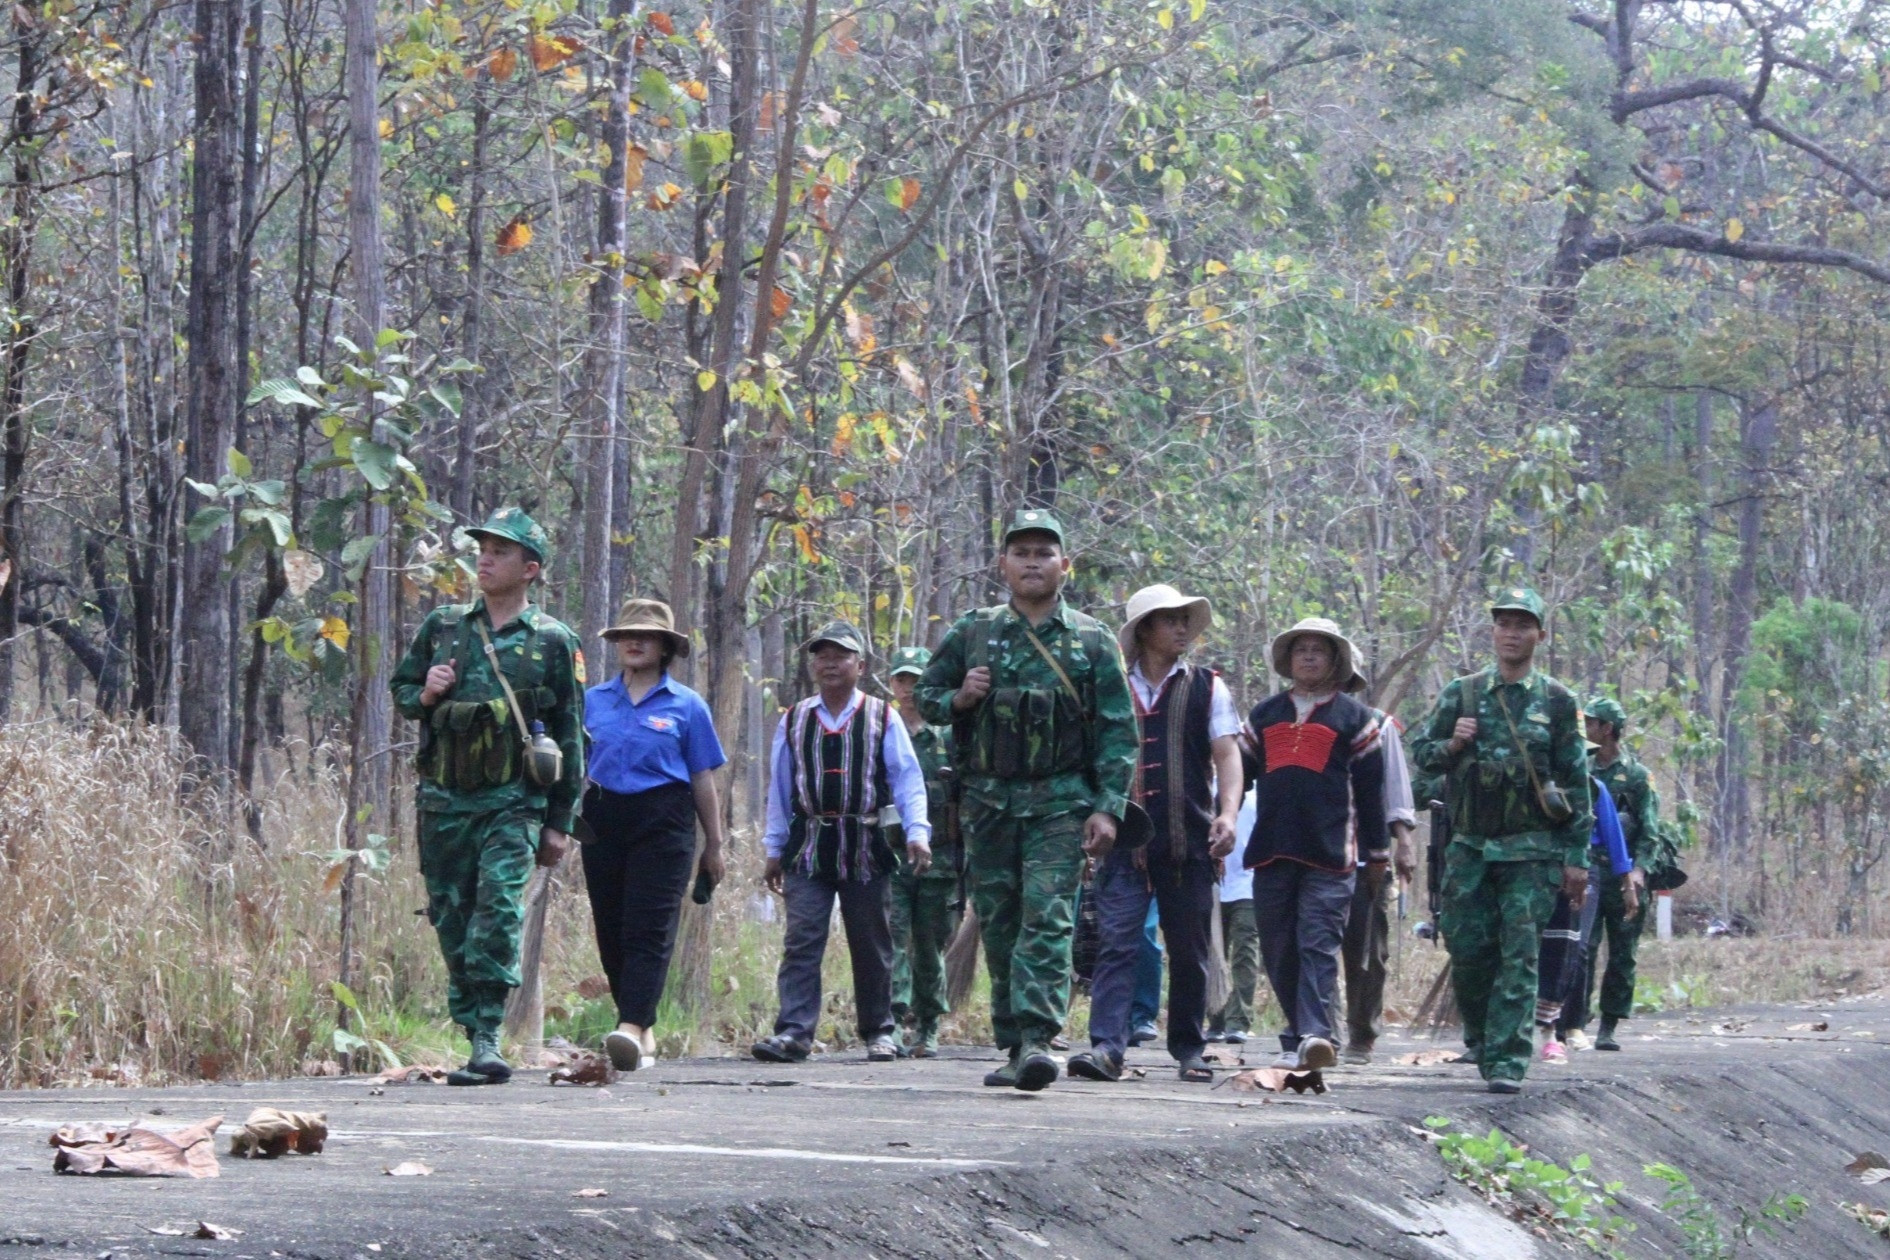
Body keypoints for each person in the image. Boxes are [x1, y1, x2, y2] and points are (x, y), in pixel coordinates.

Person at [916, 508, 1137, 1092]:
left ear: (1065, 564)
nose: (1033, 561)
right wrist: (960, 698)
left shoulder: (1091, 638)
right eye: (1022, 552)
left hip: (1061, 803)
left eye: (1045, 552)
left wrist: (1107, 806)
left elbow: (1118, 729)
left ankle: (1040, 1038)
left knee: (1049, 917)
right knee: (1002, 922)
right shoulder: (974, 631)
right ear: (1003, 565)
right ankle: (1014, 1045)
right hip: (987, 803)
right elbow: (926, 696)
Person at [389, 507, 585, 1086]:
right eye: (482, 548)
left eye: (499, 551)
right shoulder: (444, 627)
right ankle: (472, 1025)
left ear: (530, 568)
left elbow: (573, 733)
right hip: (445, 802)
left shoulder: (553, 641)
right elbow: (402, 695)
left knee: (498, 909)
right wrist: (425, 693)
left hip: (513, 803)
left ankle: (487, 1039)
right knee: (452, 916)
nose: (484, 557)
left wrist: (559, 822)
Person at [1410, 587, 1593, 1094]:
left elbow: (1575, 782)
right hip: (1469, 846)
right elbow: (1422, 757)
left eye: (1523, 624)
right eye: (1503, 624)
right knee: (1468, 948)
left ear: (1540, 634)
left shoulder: (1557, 701)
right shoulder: (1462, 694)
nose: (1512, 633)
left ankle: (1508, 1061)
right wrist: (1453, 743)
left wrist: (1576, 858)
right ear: (1492, 632)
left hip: (1532, 850)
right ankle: (1483, 1037)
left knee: (1521, 951)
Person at [1070, 585, 1242, 1084]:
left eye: (1185, 619)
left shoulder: (1209, 686)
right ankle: (1107, 1048)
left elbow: (1227, 755)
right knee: (1117, 943)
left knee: (1189, 948)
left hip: (1189, 840)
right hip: (1120, 842)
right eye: (1170, 620)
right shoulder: (1109, 686)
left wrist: (1227, 814)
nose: (1182, 628)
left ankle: (1189, 1048)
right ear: (1144, 629)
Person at [752, 621, 933, 1064]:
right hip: (809, 845)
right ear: (812, 664)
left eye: (841, 655)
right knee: (802, 937)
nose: (830, 662)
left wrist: (917, 833)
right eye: (822, 655)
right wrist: (774, 847)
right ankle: (794, 1032)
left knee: (871, 941)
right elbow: (778, 788)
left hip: (866, 843)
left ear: (860, 665)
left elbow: (908, 779)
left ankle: (879, 1031)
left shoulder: (881, 716)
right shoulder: (794, 719)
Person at [579, 598, 727, 1072]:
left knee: (650, 924)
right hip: (602, 816)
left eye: (645, 636)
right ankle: (644, 1029)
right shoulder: (594, 701)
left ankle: (628, 1025)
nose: (634, 642)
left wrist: (715, 846)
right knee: (611, 927)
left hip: (664, 817)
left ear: (666, 647)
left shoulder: (687, 705)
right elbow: (572, 767)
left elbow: (703, 779)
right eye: (626, 635)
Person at [1244, 617, 1387, 1073]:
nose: (1308, 656)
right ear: (1288, 659)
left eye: (1318, 650)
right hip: (1270, 852)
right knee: (1278, 947)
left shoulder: (1356, 719)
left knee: (1317, 943)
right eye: (1300, 649)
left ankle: (1315, 1035)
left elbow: (1371, 794)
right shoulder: (1264, 715)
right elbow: (1236, 775)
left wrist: (1379, 853)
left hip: (1331, 857)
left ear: (1334, 661)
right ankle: (1298, 1032)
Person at [1337, 654, 1420, 1065]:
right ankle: (1313, 1028)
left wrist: (1401, 844)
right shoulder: (1291, 719)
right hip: (1310, 851)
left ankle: (1360, 1032)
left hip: (1364, 855)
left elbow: (1396, 791)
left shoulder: (1378, 725)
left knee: (1365, 947)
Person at [885, 645, 962, 1057]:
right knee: (893, 939)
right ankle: (893, 1022)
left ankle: (929, 1024)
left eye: (917, 680)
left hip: (941, 859)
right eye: (902, 679)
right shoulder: (881, 730)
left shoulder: (948, 735)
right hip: (891, 857)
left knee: (930, 946)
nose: (909, 689)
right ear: (892, 684)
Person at [1534, 771, 1636, 1063]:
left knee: (1576, 947)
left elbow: (1613, 836)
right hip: (1535, 865)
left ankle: (1571, 1024)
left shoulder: (1593, 786)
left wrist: (1626, 881)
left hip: (1580, 868)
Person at [1582, 697, 1656, 1051]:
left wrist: (1639, 873)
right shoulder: (1581, 769)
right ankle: (1574, 1021)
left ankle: (1608, 1025)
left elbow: (1649, 830)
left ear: (1606, 729)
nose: (1586, 728)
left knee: (1623, 951)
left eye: (1591, 722)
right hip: (1588, 871)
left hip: (1623, 874)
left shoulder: (1637, 776)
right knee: (1582, 947)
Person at [1207, 787, 1262, 1045]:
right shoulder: (1209, 784)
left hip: (1248, 883)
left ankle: (1238, 1022)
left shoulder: (1258, 789)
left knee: (1245, 951)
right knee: (1213, 953)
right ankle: (1214, 1020)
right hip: (1213, 884)